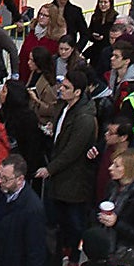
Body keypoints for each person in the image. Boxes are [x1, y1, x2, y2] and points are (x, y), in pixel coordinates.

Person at [37, 69, 99, 254]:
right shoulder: (64, 108)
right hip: (62, 179)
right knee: (61, 220)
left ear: (78, 92)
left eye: (66, 87)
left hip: (74, 180)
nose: (61, 89)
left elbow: (72, 150)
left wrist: (50, 169)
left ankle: (72, 255)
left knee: (74, 222)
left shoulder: (85, 118)